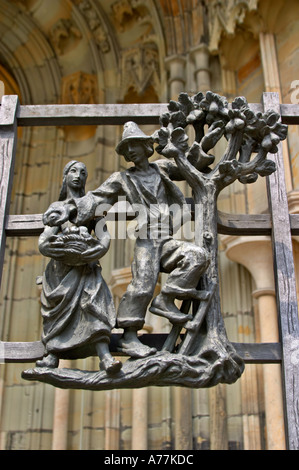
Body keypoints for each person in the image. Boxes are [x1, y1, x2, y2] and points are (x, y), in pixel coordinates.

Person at [43, 123, 210, 359]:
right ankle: (129, 337)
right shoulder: (121, 178)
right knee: (142, 283)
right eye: (126, 148)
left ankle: (166, 299)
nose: (130, 151)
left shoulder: (162, 169)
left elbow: (189, 166)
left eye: (134, 145)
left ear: (145, 147)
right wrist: (67, 209)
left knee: (196, 256)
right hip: (146, 238)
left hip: (167, 237)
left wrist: (191, 147)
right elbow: (96, 198)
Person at [37, 161, 122, 374]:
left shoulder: (92, 204)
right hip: (61, 271)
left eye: (83, 172)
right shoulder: (58, 208)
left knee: (94, 304)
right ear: (65, 176)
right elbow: (45, 240)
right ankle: (52, 356)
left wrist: (97, 250)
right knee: (57, 314)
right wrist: (57, 248)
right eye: (73, 171)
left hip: (86, 266)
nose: (78, 176)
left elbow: (103, 236)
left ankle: (105, 357)